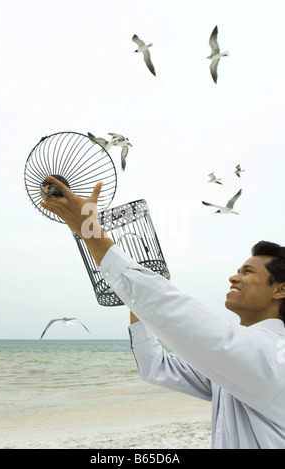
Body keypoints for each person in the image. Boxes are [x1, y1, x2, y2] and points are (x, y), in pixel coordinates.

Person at [40, 176, 285, 449]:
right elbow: (155, 366)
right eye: (238, 270)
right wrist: (136, 295)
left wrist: (88, 229)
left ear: (280, 290)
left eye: (247, 272)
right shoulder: (236, 363)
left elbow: (178, 312)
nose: (233, 277)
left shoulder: (274, 356)